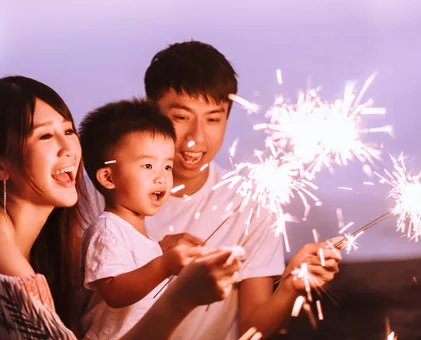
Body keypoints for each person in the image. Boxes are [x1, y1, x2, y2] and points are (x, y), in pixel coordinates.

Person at [0, 76, 242, 340]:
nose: (68, 148)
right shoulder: (6, 270)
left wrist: (156, 251)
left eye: (68, 130)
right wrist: (180, 297)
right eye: (44, 137)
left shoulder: (6, 238)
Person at [144, 41, 342, 340]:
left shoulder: (252, 205)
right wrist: (155, 256)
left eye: (213, 119)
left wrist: (289, 286)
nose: (195, 138)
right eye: (181, 117)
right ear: (148, 110)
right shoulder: (103, 191)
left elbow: (251, 329)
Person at [79, 99, 240, 340]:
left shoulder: (140, 235)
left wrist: (162, 251)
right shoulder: (107, 229)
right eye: (147, 165)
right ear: (108, 178)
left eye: (167, 166)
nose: (162, 178)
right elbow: (114, 292)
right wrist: (165, 264)